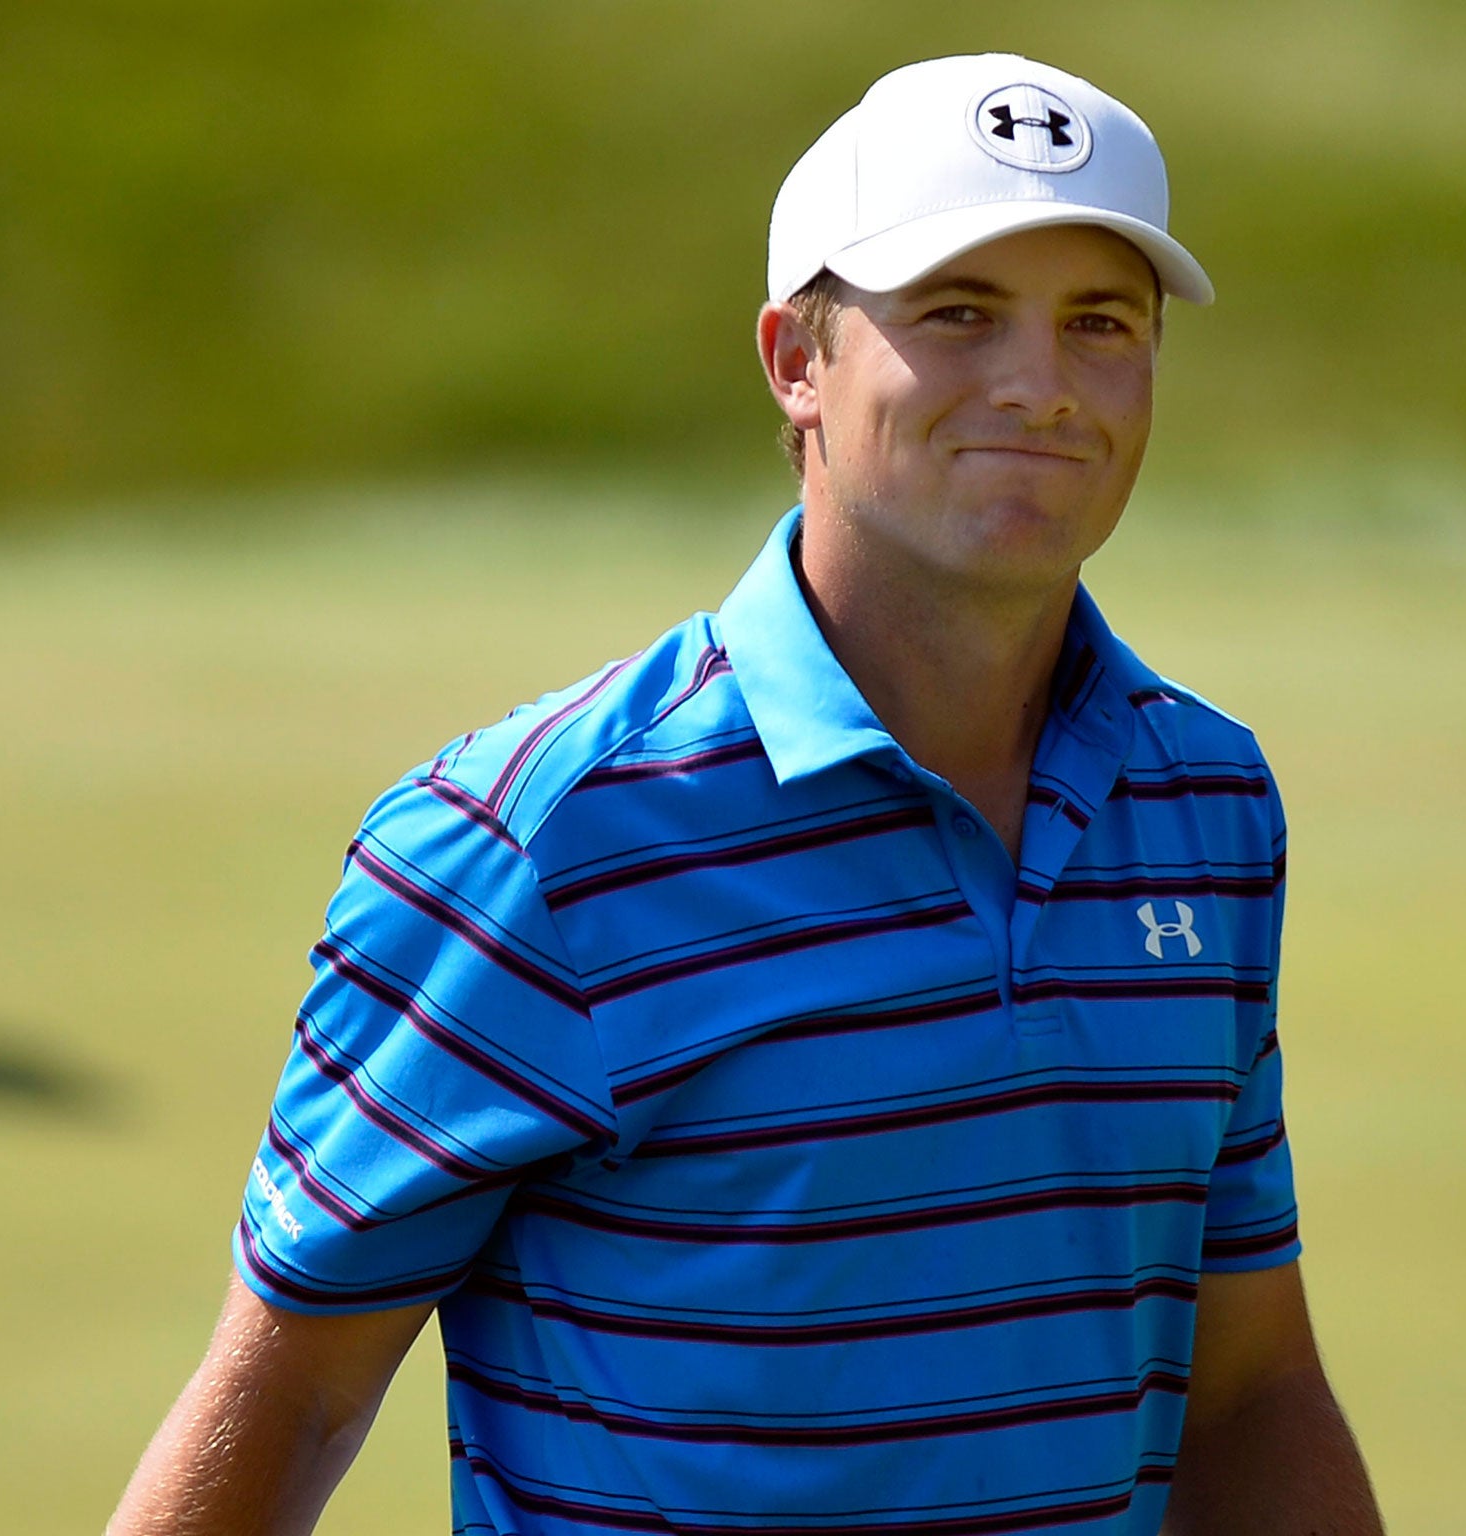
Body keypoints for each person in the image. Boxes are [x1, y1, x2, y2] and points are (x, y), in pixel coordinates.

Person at [109, 52, 1383, 1536]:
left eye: (1099, 325)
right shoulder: (535, 842)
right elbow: (290, 1403)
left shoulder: (1208, 808)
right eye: (958, 314)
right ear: (796, 360)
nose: (1039, 384)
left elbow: (1247, 1386)